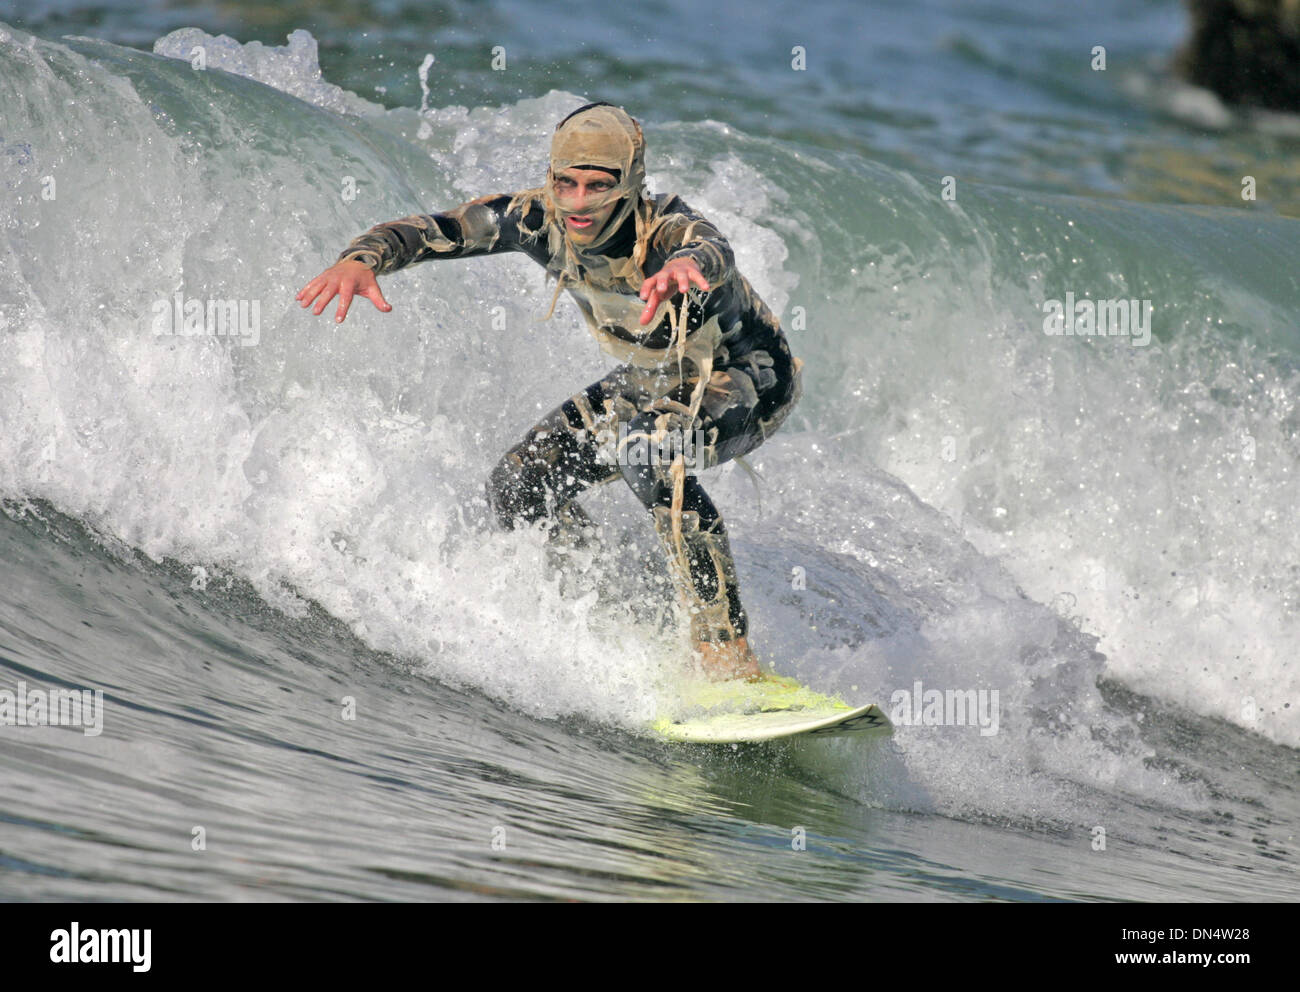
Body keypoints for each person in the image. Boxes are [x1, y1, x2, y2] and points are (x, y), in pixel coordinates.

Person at [296, 102, 803, 681]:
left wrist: (688, 267)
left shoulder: (667, 232)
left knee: (647, 450)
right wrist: (362, 261)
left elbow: (711, 249)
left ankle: (726, 652)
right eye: (567, 183)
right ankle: (609, 609)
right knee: (519, 485)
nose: (579, 201)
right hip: (653, 377)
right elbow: (427, 230)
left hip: (747, 375)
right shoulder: (533, 218)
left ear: (631, 184)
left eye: (598, 186)